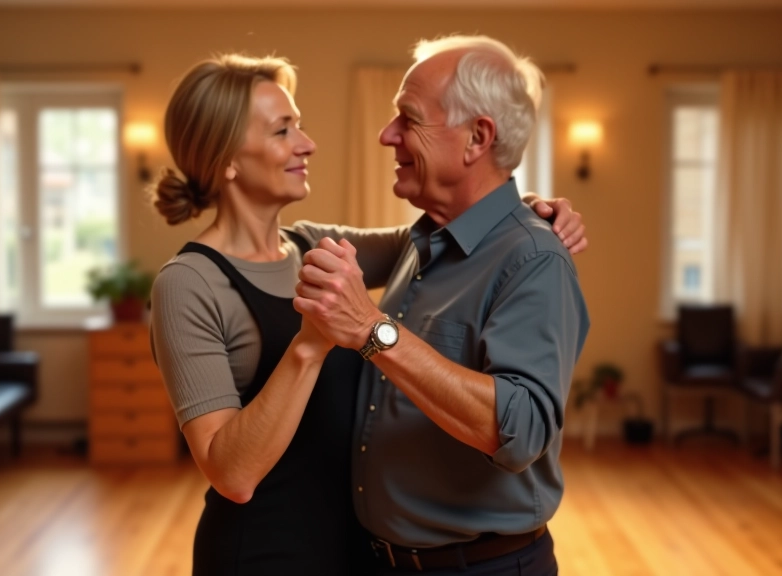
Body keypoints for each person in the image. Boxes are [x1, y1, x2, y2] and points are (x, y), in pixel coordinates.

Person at [148, 53, 585, 575]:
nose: (307, 144)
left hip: (354, 553)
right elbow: (232, 474)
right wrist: (312, 344)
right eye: (283, 130)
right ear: (226, 160)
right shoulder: (188, 284)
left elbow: (460, 227)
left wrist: (527, 206)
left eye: (300, 126)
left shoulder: (312, 245)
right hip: (266, 555)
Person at [295, 35, 589, 575]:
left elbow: (519, 430)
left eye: (408, 119)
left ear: (477, 138)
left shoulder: (535, 259)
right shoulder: (422, 239)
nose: (388, 136)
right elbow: (293, 239)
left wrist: (370, 329)